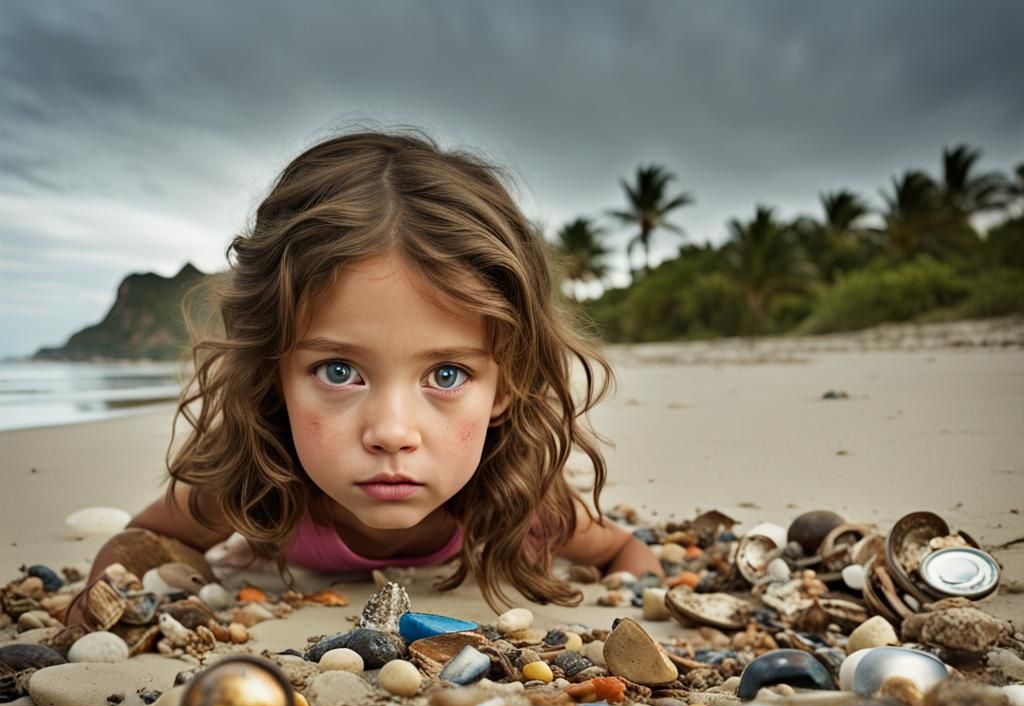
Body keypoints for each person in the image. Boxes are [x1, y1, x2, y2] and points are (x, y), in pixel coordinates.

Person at [65, 127, 662, 624]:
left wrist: (631, 624)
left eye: (447, 374)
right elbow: (137, 545)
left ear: (504, 386)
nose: (392, 432)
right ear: (273, 374)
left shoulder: (521, 501)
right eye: (339, 369)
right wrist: (95, 615)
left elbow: (624, 550)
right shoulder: (254, 488)